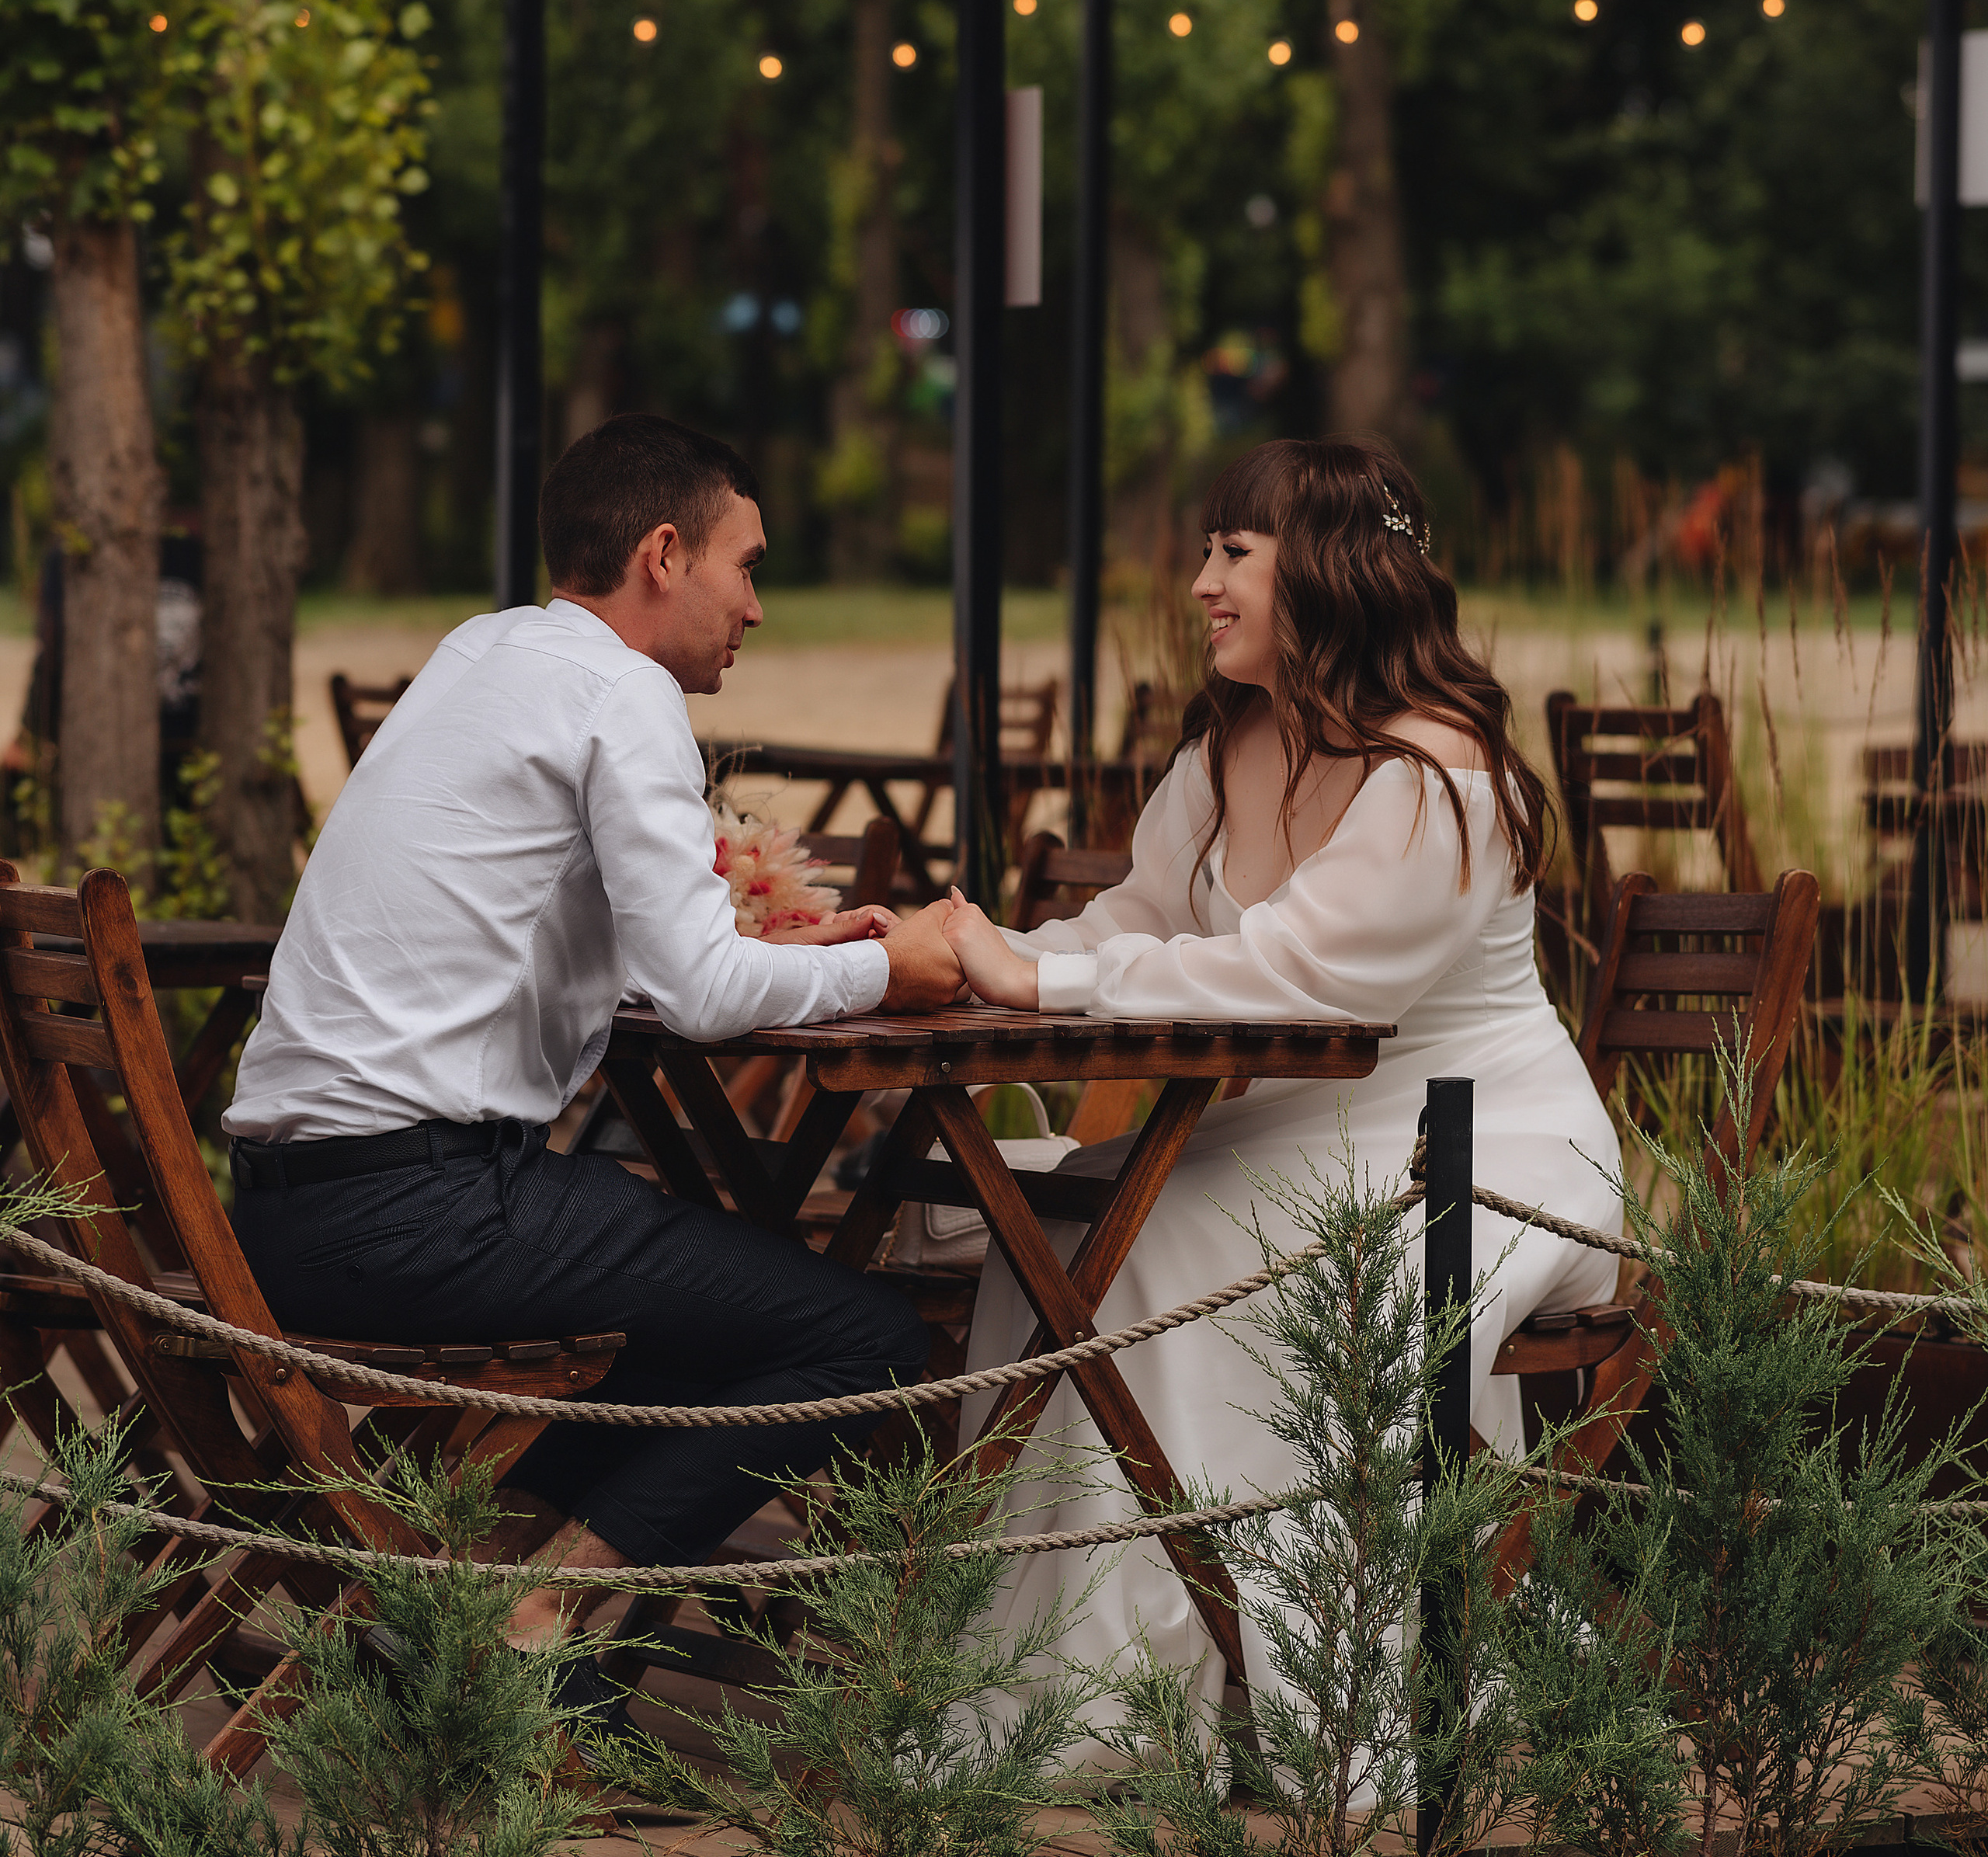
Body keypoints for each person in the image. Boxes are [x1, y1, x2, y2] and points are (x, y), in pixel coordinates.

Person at [224, 412, 960, 1717]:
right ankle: (539, 1622)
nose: (760, 606)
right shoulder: (625, 690)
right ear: (664, 553)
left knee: (725, 1301)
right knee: (866, 1336)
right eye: (746, 565)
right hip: (421, 1208)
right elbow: (705, 995)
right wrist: (882, 971)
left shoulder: (484, 650)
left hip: (289, 1209)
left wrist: (766, 944)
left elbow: (545, 935)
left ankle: (471, 1603)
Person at [938, 436, 1621, 1765]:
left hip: (1478, 1138)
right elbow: (1137, 917)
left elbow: (1301, 980)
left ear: (1327, 571)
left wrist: (1042, 978)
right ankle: (1089, 1683)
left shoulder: (1441, 772)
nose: (1200, 581)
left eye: (1231, 552)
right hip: (1309, 1123)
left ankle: (1298, 1677)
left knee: (1168, 1250)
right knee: (1063, 1228)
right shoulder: (1225, 746)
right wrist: (990, 959)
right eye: (1208, 550)